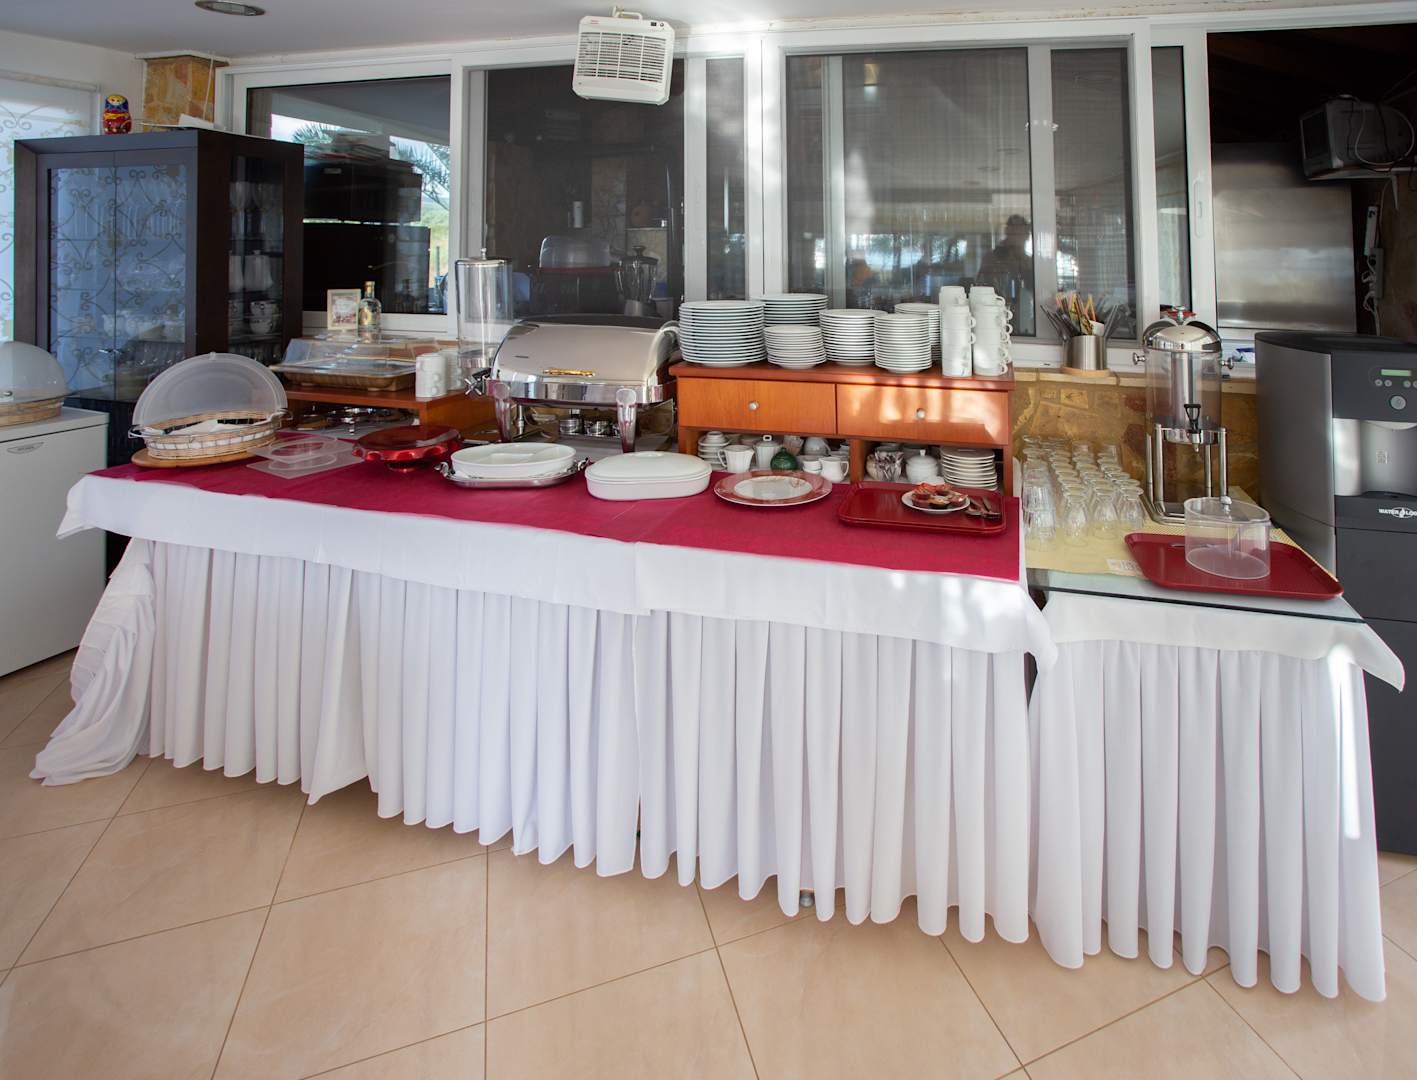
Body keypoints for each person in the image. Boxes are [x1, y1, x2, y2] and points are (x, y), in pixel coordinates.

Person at [976, 214, 1034, 322]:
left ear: (1027, 235)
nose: (1017, 237)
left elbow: (1033, 290)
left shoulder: (1029, 262)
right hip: (994, 315)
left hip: (1023, 316)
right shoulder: (992, 259)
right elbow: (981, 287)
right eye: (1013, 232)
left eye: (1020, 233)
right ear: (1007, 233)